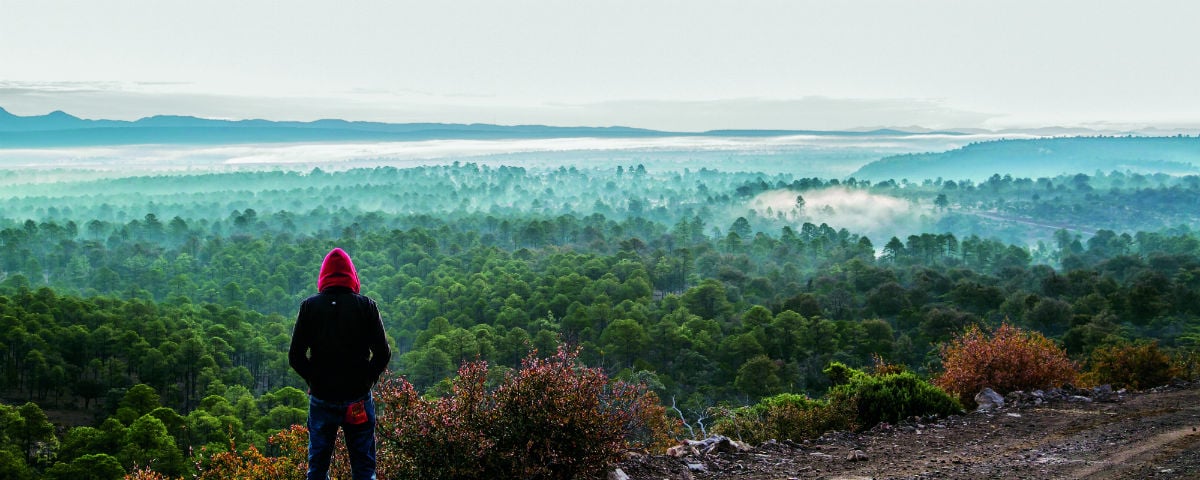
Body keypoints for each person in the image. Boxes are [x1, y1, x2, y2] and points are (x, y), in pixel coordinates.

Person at [289, 247, 391, 480]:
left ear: (323, 277)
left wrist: (314, 380)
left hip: (323, 399)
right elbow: (383, 353)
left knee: (317, 470)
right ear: (352, 276)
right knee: (364, 470)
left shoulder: (309, 307)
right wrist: (367, 381)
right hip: (358, 399)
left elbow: (295, 356)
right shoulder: (366, 306)